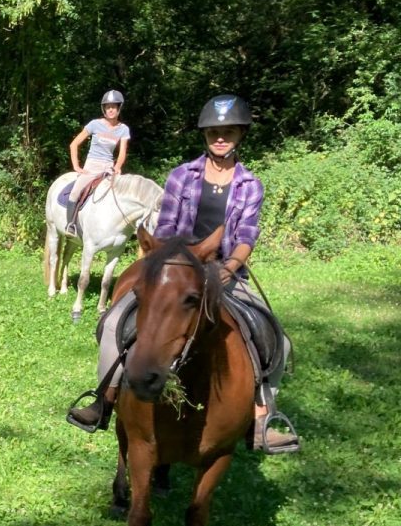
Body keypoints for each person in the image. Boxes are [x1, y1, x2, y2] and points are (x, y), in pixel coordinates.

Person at [67, 94, 298, 454]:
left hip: (225, 269)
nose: (220, 137)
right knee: (115, 322)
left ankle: (262, 417)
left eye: (228, 131)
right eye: (214, 132)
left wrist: (230, 267)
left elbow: (246, 237)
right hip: (177, 267)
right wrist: (183, 266)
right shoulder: (182, 175)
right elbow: (168, 225)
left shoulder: (250, 185)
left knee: (276, 340)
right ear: (205, 135)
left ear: (240, 135)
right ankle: (104, 399)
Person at [64, 90, 130, 236]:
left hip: (109, 167)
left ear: (119, 108)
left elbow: (122, 152)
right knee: (75, 192)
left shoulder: (123, 129)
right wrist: (76, 166)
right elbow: (74, 144)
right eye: (108, 107)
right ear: (104, 109)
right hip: (92, 165)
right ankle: (70, 225)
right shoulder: (94, 124)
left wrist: (117, 167)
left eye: (114, 106)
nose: (111, 109)